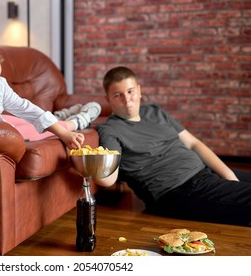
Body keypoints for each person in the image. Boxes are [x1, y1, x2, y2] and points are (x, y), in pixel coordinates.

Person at [94, 66, 251, 226]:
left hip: (204, 172)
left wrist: (229, 176)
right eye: (117, 95)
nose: (127, 100)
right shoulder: (110, 129)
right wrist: (84, 162)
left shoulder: (155, 112)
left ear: (139, 91)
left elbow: (193, 143)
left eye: (130, 91)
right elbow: (108, 178)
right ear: (107, 99)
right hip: (178, 190)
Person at [0, 29, 101, 150]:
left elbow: (26, 108)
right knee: (29, 132)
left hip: (3, 124)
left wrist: (64, 135)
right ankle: (77, 121)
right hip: (1, 133)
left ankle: (60, 118)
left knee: (24, 121)